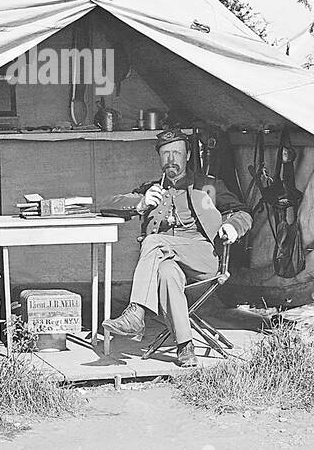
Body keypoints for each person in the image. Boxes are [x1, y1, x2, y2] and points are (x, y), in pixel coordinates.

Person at [102, 129, 253, 367]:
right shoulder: (151, 189)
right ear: (159, 158)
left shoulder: (208, 186)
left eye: (177, 153)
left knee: (153, 242)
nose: (171, 159)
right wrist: (140, 203)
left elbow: (243, 212)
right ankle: (186, 346)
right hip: (168, 259)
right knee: (167, 272)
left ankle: (136, 313)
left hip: (203, 257)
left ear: (188, 155)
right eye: (165, 154)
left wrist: (233, 226)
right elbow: (109, 205)